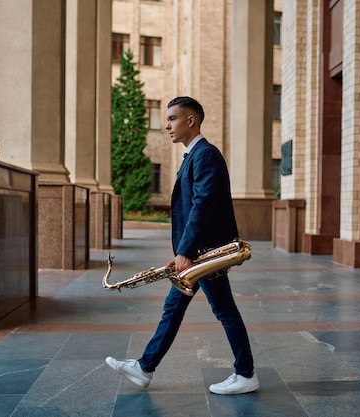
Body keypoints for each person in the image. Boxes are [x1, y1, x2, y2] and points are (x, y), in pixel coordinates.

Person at [106, 96, 259, 395]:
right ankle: (145, 368)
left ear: (191, 121)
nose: (166, 125)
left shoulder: (205, 155)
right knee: (175, 308)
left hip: (204, 254)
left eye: (172, 118)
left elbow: (201, 206)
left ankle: (245, 373)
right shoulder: (194, 156)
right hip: (197, 253)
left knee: (222, 311)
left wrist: (186, 251)